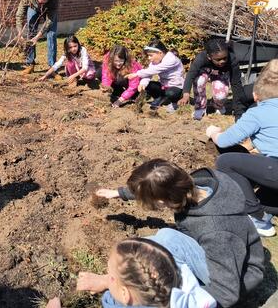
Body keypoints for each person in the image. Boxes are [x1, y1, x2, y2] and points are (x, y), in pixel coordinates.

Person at [96, 159, 264, 308]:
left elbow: (227, 292)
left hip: (237, 278)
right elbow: (156, 184)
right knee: (162, 242)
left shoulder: (216, 231)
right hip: (225, 254)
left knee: (165, 240)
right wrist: (119, 193)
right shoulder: (198, 183)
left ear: (161, 202)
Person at [206, 59, 278, 237]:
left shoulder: (257, 113)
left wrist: (214, 132)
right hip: (272, 168)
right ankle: (266, 208)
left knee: (226, 161)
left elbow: (224, 142)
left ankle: (256, 216)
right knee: (263, 182)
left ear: (255, 96)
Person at [60, 237, 216, 308]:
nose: (107, 277)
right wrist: (107, 281)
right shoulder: (169, 242)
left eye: (111, 276)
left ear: (124, 294)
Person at [179, 39, 248, 120]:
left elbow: (236, 85)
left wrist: (239, 112)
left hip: (221, 73)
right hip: (204, 71)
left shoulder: (232, 59)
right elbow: (191, 74)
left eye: (225, 58)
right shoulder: (201, 58)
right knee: (199, 81)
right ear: (209, 57)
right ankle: (200, 107)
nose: (222, 61)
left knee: (220, 96)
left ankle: (217, 105)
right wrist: (186, 94)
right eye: (218, 59)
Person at [126, 40, 184, 113]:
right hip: (164, 86)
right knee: (149, 85)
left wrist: (137, 74)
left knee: (171, 93)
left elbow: (154, 70)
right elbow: (148, 72)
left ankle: (175, 102)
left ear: (160, 53)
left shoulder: (171, 59)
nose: (149, 58)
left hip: (176, 86)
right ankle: (159, 98)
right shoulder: (155, 61)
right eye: (148, 56)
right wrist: (143, 83)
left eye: (151, 55)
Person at [15, 0, 60, 75]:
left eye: (44, 2)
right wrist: (19, 32)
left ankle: (52, 68)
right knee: (30, 32)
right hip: (33, 7)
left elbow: (49, 21)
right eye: (40, 2)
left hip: (49, 10)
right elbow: (19, 15)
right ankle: (30, 64)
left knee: (51, 34)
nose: (41, 5)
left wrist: (38, 36)